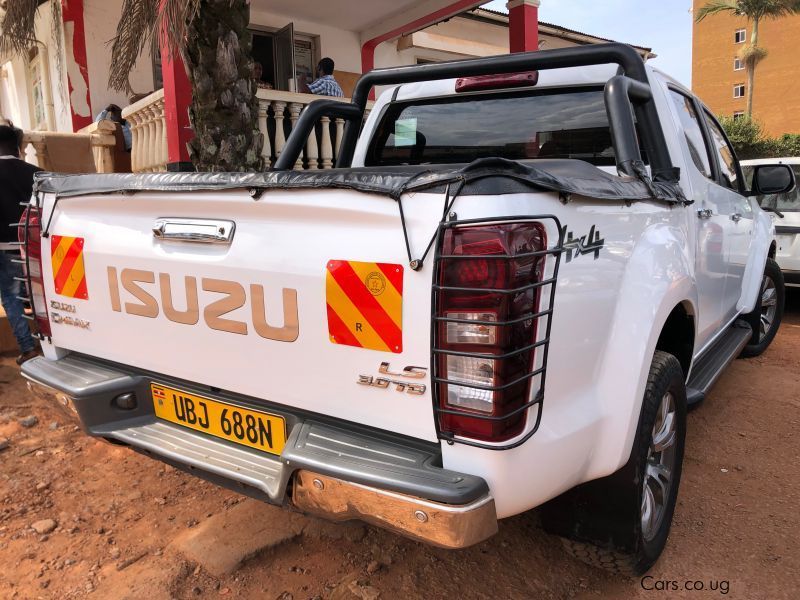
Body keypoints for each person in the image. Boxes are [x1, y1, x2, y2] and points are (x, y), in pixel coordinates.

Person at [0, 120, 42, 365]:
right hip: (32, 246)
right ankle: (49, 341)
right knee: (38, 293)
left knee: (11, 297)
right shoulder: (34, 173)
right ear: (17, 147)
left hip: (3, 250)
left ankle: (28, 349)